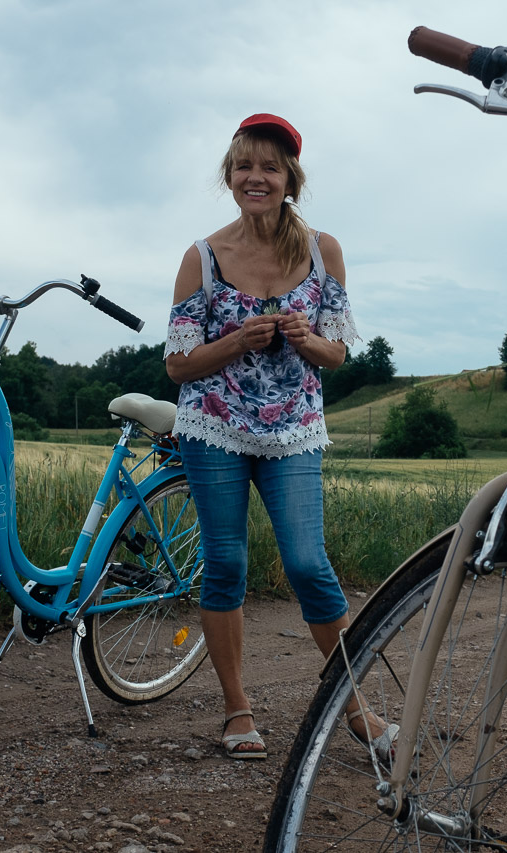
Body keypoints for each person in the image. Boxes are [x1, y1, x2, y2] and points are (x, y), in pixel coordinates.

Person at [164, 113, 395, 761]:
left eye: (269, 166)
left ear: (290, 178)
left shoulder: (324, 251)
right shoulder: (202, 258)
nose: (255, 177)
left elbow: (339, 353)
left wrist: (307, 339)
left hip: (292, 430)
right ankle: (238, 711)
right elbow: (178, 365)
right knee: (227, 565)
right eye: (244, 166)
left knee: (306, 563)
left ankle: (357, 707)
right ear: (229, 176)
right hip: (213, 427)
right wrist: (237, 340)